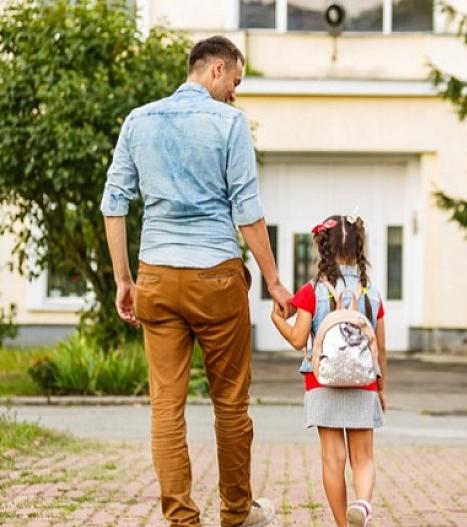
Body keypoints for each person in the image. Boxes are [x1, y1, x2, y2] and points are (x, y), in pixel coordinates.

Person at [101, 35, 292, 527]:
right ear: (216, 70)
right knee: (230, 402)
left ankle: (182, 520)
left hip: (157, 278)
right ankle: (236, 514)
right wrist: (273, 282)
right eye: (235, 81)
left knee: (166, 405)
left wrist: (125, 280)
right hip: (215, 278)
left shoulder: (137, 121)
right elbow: (247, 212)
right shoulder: (229, 123)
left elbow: (113, 205)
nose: (235, 92)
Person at [271, 215, 388, 527]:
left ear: (324, 246)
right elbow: (381, 349)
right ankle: (362, 504)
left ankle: (342, 524)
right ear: (360, 246)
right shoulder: (371, 291)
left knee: (332, 460)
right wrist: (382, 389)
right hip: (364, 383)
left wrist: (277, 320)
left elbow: (298, 339)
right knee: (363, 458)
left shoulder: (312, 290)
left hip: (321, 381)